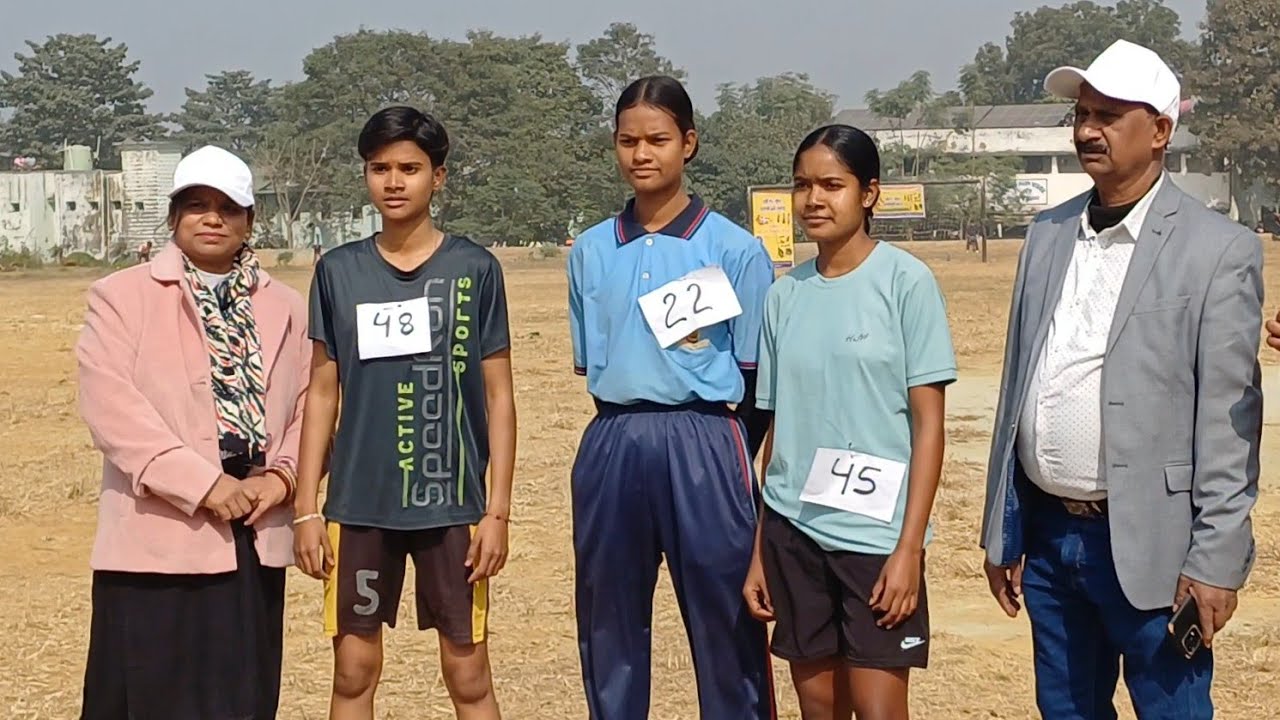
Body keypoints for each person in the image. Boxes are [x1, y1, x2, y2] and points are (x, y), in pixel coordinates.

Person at [979, 39, 1263, 719]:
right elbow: (1017, 385)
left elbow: (1230, 423)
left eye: (1107, 116)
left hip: (1155, 545)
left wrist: (1216, 558)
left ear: (1160, 130)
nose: (1086, 131)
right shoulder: (1047, 233)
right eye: (1081, 114)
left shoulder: (1217, 249)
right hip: (1050, 538)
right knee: (1067, 710)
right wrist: (1003, 528)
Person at [292, 106, 516, 720]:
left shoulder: (475, 269)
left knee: (468, 672)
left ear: (438, 177)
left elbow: (498, 395)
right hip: (359, 506)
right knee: (353, 670)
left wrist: (497, 511)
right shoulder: (338, 271)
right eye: (379, 168)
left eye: (410, 169)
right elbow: (322, 392)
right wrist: (307, 508)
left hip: (452, 504)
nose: (393, 182)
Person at [75, 144, 311, 720]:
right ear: (174, 216)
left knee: (241, 697)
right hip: (157, 533)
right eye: (197, 206)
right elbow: (110, 405)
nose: (212, 219)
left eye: (227, 208)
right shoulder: (121, 296)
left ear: (250, 220)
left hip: (253, 525)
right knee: (145, 696)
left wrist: (282, 478)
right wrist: (202, 485)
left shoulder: (288, 307)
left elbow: (312, 406)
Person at [567, 74, 777, 720]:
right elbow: (594, 360)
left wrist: (722, 447)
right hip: (614, 440)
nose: (641, 154)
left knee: (726, 619)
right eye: (627, 141)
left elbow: (755, 380)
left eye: (657, 140)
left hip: (707, 440)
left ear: (688, 143)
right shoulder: (589, 251)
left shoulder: (735, 250)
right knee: (608, 620)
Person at [743, 125, 956, 720]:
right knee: (818, 707)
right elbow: (778, 435)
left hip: (876, 541)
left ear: (869, 193)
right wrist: (762, 548)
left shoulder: (906, 283)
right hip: (794, 534)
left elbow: (929, 427)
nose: (813, 199)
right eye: (802, 185)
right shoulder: (784, 296)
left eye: (832, 185)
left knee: (878, 707)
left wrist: (909, 548)